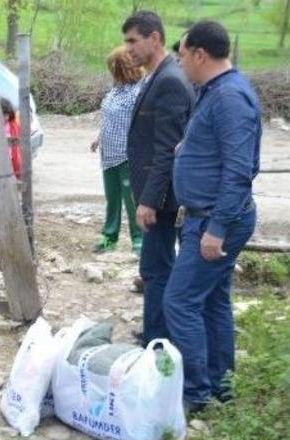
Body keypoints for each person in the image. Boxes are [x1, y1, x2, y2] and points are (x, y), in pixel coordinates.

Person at [165, 20, 261, 413]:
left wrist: (216, 229)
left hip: (215, 220)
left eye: (183, 54)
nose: (180, 61)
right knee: (213, 301)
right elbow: (221, 148)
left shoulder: (230, 98)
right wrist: (189, 149)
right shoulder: (215, 91)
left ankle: (194, 393)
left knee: (179, 301)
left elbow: (241, 170)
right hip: (207, 216)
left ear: (200, 54)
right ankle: (222, 385)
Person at [122, 11, 195, 345]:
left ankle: (157, 338)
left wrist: (149, 199)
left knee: (156, 267)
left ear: (156, 38)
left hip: (163, 198)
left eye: (133, 41)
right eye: (126, 41)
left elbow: (168, 149)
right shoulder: (156, 76)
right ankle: (157, 332)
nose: (128, 49)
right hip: (156, 193)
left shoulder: (169, 80)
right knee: (156, 265)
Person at [90, 46, 144, 255]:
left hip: (126, 155)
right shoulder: (114, 90)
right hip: (108, 153)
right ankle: (109, 236)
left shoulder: (138, 91)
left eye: (114, 68)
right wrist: (99, 138)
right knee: (112, 199)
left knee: (131, 201)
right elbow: (109, 118)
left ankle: (138, 239)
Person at [1, 98, 22, 179]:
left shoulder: (13, 126)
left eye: (7, 114)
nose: (5, 117)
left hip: (11, 160)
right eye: (3, 114)